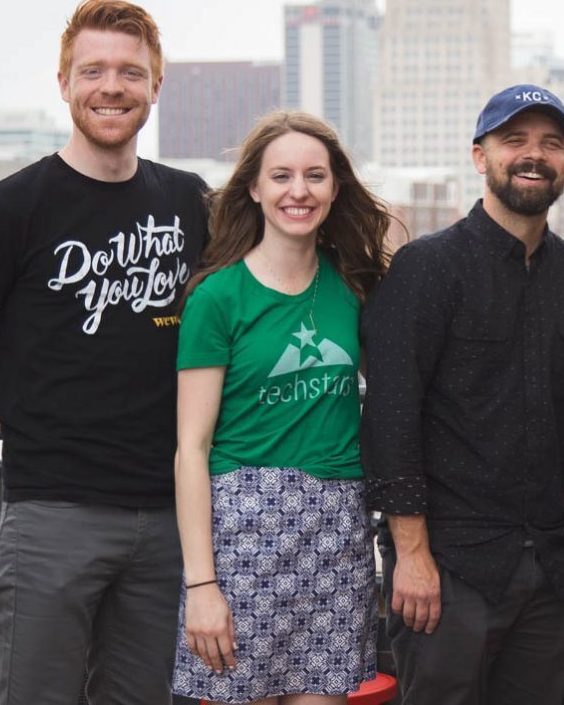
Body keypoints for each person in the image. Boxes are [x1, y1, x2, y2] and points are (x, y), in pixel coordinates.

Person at [0, 0, 208, 705]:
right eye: (94, 70)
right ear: (63, 83)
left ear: (155, 87)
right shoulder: (11, 206)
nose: (112, 87)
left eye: (130, 73)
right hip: (54, 515)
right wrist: (35, 427)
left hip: (169, 518)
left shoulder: (189, 201)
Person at [360, 84, 564, 705]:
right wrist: (411, 556)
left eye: (551, 143)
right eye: (514, 141)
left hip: (554, 567)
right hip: (449, 568)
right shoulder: (426, 268)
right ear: (481, 157)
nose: (534, 155)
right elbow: (391, 418)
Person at [171, 111, 394, 704]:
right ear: (254, 187)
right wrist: (201, 585)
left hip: (336, 534)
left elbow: (400, 393)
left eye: (315, 175)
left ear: (335, 187)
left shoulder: (357, 288)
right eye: (282, 176)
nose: (299, 190)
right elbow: (190, 449)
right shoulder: (217, 297)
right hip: (241, 535)